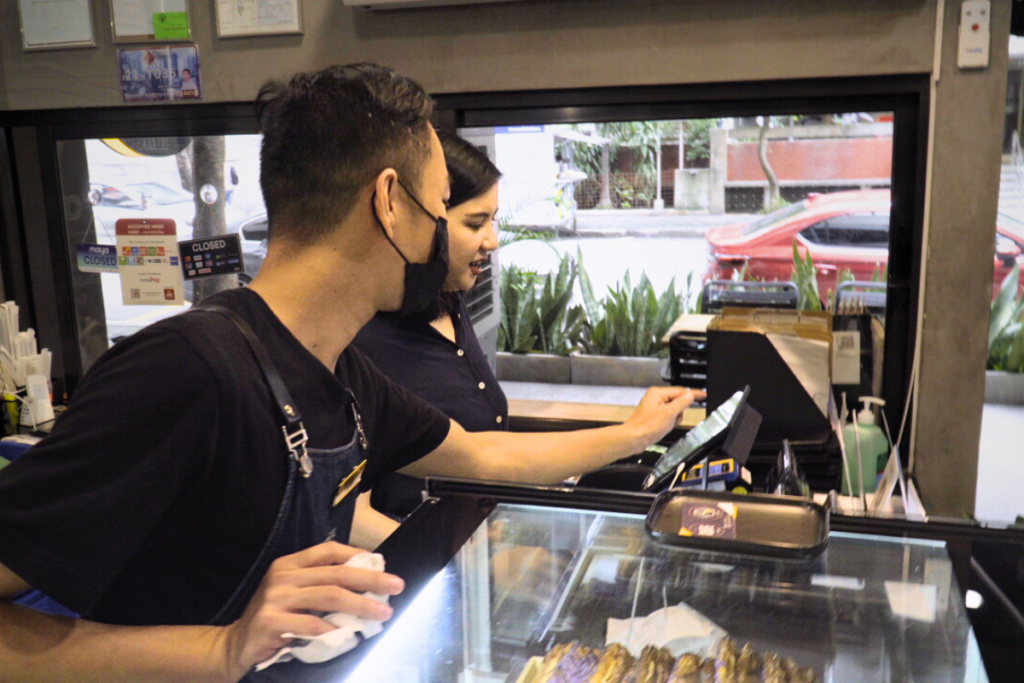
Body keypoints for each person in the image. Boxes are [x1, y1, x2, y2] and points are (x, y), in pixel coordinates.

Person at [0, 63, 701, 682]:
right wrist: (222, 649)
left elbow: (485, 452)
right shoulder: (189, 371)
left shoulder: (344, 376)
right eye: (438, 207)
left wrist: (637, 430)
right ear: (390, 202)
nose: (448, 237)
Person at [353, 130, 505, 520]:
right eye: (475, 224)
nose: (493, 240)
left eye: (494, 221)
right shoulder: (360, 336)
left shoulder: (451, 299)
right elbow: (350, 510)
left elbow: (484, 453)